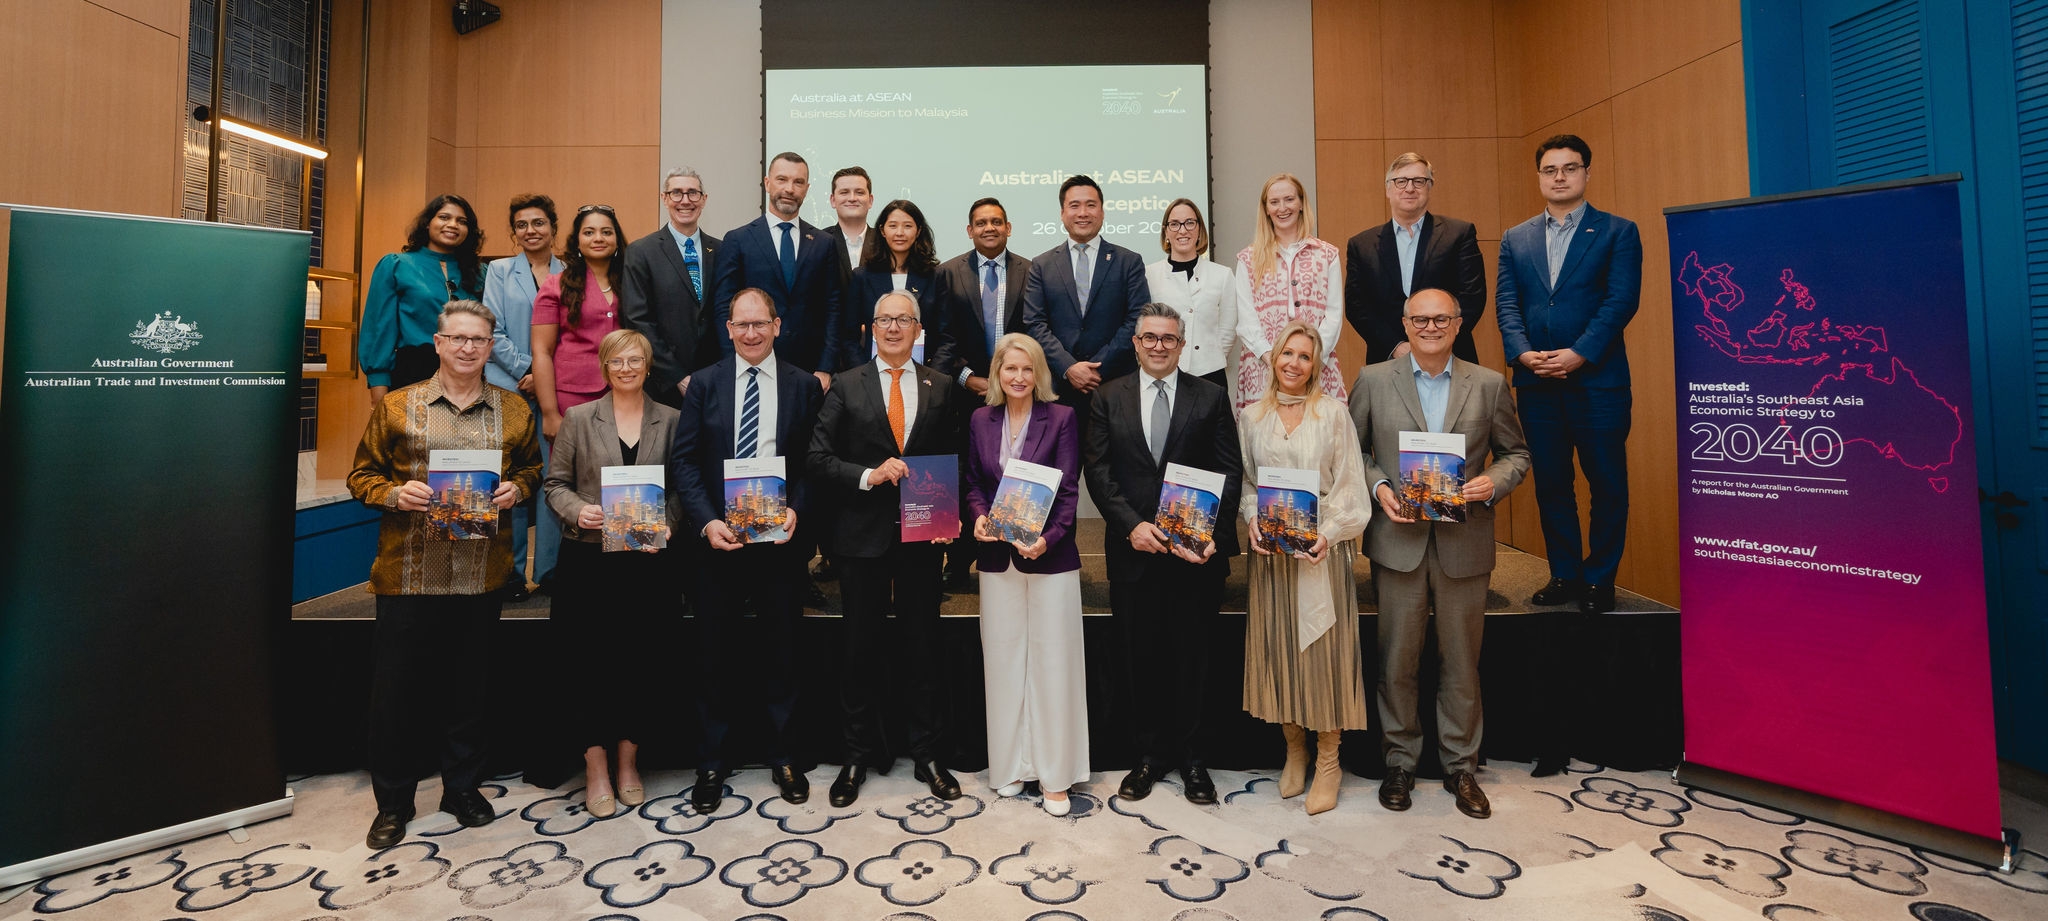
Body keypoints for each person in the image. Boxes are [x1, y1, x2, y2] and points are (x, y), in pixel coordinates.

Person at [347, 299, 542, 849]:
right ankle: (393, 804)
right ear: (438, 343)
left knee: (469, 691)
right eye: (457, 338)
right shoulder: (398, 406)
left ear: (490, 347)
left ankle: (461, 789)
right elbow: (360, 476)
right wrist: (394, 494)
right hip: (409, 574)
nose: (467, 348)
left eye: (478, 340)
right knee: (397, 696)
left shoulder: (514, 410)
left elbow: (532, 468)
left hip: (481, 575)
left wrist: (517, 489)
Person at [1351, 288, 1530, 820]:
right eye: (1420, 319)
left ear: (1457, 325)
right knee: (1397, 659)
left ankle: (1461, 767)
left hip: (1464, 543)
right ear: (1405, 325)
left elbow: (1516, 454)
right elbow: (1352, 451)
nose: (1430, 327)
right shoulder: (1373, 380)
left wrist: (1493, 483)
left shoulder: (1489, 384)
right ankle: (1399, 763)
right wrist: (1379, 487)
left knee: (1460, 662)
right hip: (1398, 542)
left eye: (1440, 319)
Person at [1495, 133, 1642, 776]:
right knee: (1551, 483)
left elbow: (1620, 301)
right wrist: (1523, 353)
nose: (1559, 177)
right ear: (1539, 177)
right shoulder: (1516, 238)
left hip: (1596, 379)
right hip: (1536, 381)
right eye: (1549, 169)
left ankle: (1599, 577)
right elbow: (1507, 303)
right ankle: (1564, 575)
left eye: (1569, 168)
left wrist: (1580, 353)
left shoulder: (1618, 232)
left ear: (1585, 172)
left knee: (1606, 481)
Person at [808, 290, 967, 807]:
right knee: (859, 650)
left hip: (923, 536)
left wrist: (952, 515)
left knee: (924, 648)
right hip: (861, 539)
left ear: (919, 330)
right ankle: (856, 755)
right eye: (884, 319)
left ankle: (927, 753)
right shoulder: (846, 384)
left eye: (904, 319)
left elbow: (956, 457)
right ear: (870, 329)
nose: (894, 327)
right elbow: (818, 457)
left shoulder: (942, 385)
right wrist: (868, 475)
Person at [669, 287, 824, 812]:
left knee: (783, 651)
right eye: (742, 324)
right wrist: (707, 522)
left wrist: (797, 508)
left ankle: (784, 755)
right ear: (729, 329)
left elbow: (813, 461)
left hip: (780, 542)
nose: (751, 333)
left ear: (777, 326)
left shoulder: (804, 385)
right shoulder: (704, 384)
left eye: (761, 324)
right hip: (720, 543)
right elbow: (685, 461)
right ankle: (713, 761)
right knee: (715, 653)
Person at [1083, 303, 1241, 805]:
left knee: (1194, 660)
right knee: (1141, 659)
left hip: (1195, 558)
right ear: (1135, 343)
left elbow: (1229, 471)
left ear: (1181, 343)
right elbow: (1098, 472)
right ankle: (1150, 756)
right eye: (1149, 337)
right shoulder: (1108, 397)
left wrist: (1213, 534)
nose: (1158, 346)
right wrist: (1131, 526)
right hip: (1133, 552)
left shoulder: (1211, 396)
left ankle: (1194, 760)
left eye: (1168, 338)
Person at [542, 329, 679, 818]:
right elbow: (554, 484)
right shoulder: (579, 418)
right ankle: (595, 766)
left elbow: (681, 487)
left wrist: (670, 520)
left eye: (635, 360)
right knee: (587, 665)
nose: (626, 368)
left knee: (640, 662)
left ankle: (628, 762)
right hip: (588, 564)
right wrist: (577, 511)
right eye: (617, 361)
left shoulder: (672, 419)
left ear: (648, 365)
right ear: (604, 367)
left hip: (647, 563)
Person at [1237, 321, 1371, 815]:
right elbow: (1248, 484)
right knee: (1280, 652)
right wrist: (1252, 518)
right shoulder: (1251, 417)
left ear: (1316, 366)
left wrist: (1328, 534)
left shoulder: (1333, 414)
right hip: (1272, 558)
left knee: (1323, 656)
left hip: (1321, 554)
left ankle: (1329, 760)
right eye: (1287, 353)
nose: (1294, 363)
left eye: (1304, 356)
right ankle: (1294, 749)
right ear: (1273, 358)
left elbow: (1351, 487)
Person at [965, 333, 1087, 816]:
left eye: (1027, 368)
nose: (1018, 377)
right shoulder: (980, 419)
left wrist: (1048, 539)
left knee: (1054, 664)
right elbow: (974, 483)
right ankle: (1011, 766)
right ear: (997, 372)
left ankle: (1056, 776)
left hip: (1049, 558)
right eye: (1010, 368)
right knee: (1003, 664)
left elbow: (1069, 491)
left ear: (1039, 374)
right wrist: (978, 516)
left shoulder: (1062, 418)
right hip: (998, 559)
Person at [926, 197, 1031, 590]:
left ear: (1008, 227)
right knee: (964, 476)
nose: (990, 228)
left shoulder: (1030, 271)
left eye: (997, 221)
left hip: (1017, 392)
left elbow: (1035, 330)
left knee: (1006, 472)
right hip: (965, 394)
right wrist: (967, 377)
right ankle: (958, 561)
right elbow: (940, 336)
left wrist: (1012, 379)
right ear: (970, 230)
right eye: (982, 223)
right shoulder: (947, 272)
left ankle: (1010, 550)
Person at [1020, 174, 1151, 429]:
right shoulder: (1042, 265)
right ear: (1062, 213)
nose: (1083, 213)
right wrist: (1069, 367)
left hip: (1114, 386)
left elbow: (1137, 320)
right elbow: (1034, 323)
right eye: (1074, 205)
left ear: (1102, 212)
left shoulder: (1129, 262)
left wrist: (1097, 368)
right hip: (1058, 389)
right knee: (1062, 456)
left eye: (1091, 205)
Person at [483, 193, 563, 600]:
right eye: (522, 225)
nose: (531, 230)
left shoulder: (571, 272)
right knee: (509, 480)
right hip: (509, 387)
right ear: (514, 232)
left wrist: (545, 376)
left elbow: (572, 334)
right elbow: (492, 330)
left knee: (553, 478)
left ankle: (549, 570)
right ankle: (510, 574)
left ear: (553, 227)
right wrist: (528, 370)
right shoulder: (499, 270)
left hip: (555, 391)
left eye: (538, 223)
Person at [709, 151, 844, 389]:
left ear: (807, 189)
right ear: (767, 183)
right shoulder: (738, 240)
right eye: (782, 179)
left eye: (798, 182)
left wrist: (825, 367)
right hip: (751, 364)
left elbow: (833, 308)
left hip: (810, 372)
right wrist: (734, 362)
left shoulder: (824, 243)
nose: (790, 189)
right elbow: (723, 307)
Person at [1344, 153, 1487, 365]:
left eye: (1419, 181)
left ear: (1429, 187)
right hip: (1387, 361)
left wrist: (1434, 343)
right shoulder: (1362, 245)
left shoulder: (1459, 234)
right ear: (1388, 189)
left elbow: (1472, 297)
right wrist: (1395, 346)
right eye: (1401, 181)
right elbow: (1357, 306)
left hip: (1450, 357)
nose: (1410, 188)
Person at [1232, 174, 1346, 412]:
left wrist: (1310, 360)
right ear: (1266, 209)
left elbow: (1333, 315)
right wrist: (1272, 360)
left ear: (1301, 203)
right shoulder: (1248, 258)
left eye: (1289, 199)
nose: (1282, 208)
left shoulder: (1327, 255)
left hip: (1315, 367)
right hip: (1263, 369)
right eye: (1274, 202)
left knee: (1318, 430)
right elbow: (1246, 319)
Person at [362, 194, 485, 400]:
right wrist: (378, 388)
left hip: (469, 375)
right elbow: (379, 329)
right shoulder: (396, 265)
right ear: (428, 223)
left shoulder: (482, 272)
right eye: (444, 217)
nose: (453, 225)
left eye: (462, 221)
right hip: (414, 373)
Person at [621, 167, 721, 410]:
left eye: (693, 193)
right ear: (664, 198)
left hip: (715, 381)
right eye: (676, 193)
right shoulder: (641, 252)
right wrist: (677, 376)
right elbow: (638, 320)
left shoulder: (721, 250)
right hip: (663, 386)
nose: (685, 201)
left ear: (704, 199)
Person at [534, 205, 629, 441]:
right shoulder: (555, 285)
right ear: (577, 241)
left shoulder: (633, 281)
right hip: (572, 394)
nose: (598, 238)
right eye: (589, 232)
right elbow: (542, 351)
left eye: (606, 232)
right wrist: (550, 413)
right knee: (574, 461)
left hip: (627, 389)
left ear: (617, 239)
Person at [1143, 199, 1235, 389]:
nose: (1183, 230)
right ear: (1166, 232)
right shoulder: (1149, 275)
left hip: (1210, 374)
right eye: (1175, 224)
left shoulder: (1222, 274)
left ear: (1200, 230)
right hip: (1163, 372)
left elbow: (1227, 330)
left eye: (1190, 223)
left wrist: (1209, 359)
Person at [845, 199, 939, 370]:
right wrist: (864, 374)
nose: (900, 233)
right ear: (882, 230)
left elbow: (946, 337)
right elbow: (848, 337)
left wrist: (933, 377)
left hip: (923, 373)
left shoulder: (935, 276)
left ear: (918, 231)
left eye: (908, 226)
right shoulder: (862, 276)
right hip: (872, 373)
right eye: (893, 226)